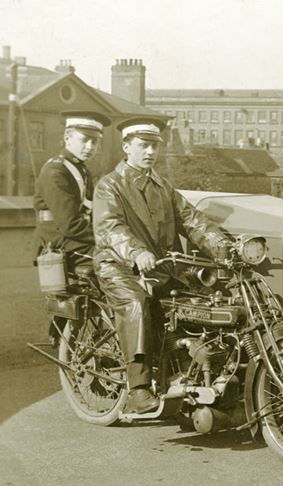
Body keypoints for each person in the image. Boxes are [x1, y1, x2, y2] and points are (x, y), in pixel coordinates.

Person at [92, 117, 230, 414]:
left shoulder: (163, 186)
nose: (150, 152)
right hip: (117, 264)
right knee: (138, 304)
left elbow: (192, 220)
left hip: (161, 265)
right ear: (126, 147)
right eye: (143, 145)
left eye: (155, 146)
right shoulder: (109, 185)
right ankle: (138, 389)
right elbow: (109, 227)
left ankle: (189, 375)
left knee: (199, 305)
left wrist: (225, 248)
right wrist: (136, 252)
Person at [33, 111, 111, 270]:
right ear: (67, 138)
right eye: (84, 140)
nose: (90, 147)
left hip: (75, 240)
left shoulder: (80, 169)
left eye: (94, 141)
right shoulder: (56, 171)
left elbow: (92, 210)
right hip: (59, 243)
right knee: (119, 262)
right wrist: (110, 237)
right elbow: (71, 225)